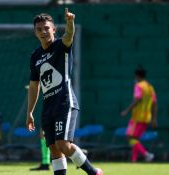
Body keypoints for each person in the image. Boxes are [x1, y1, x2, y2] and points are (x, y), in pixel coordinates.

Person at [26, 8, 103, 175]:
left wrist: (70, 23)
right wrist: (29, 112)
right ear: (35, 33)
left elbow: (69, 36)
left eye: (47, 28)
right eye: (39, 29)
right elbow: (34, 86)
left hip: (64, 103)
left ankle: (94, 172)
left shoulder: (61, 45)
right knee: (54, 149)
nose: (43, 32)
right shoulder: (35, 56)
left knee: (63, 145)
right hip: (48, 108)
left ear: (53, 29)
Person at [121, 66, 158, 162]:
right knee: (135, 139)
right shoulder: (150, 87)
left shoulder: (139, 86)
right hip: (147, 118)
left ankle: (146, 154)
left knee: (129, 137)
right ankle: (134, 160)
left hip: (137, 117)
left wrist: (127, 110)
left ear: (137, 76)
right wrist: (154, 119)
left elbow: (138, 98)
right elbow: (154, 104)